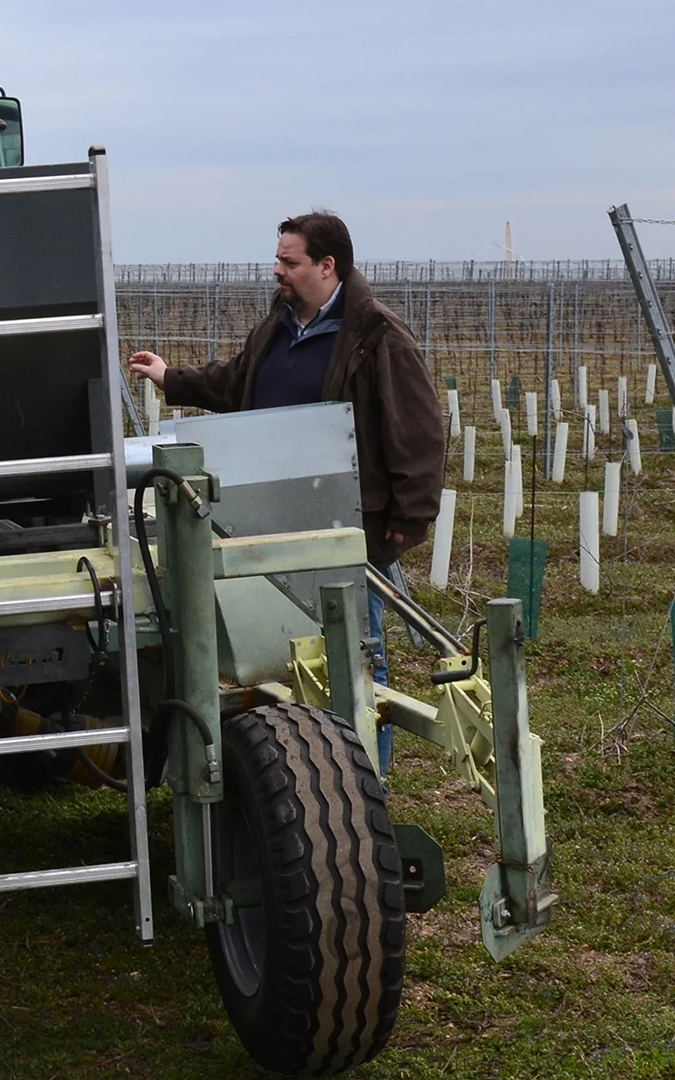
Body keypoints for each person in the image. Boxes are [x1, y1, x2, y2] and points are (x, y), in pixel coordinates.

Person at [127, 211, 445, 764]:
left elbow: (416, 431)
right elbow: (235, 382)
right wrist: (169, 376)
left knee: (356, 656)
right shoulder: (279, 326)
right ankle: (311, 768)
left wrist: (406, 520)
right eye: (278, 258)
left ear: (327, 266)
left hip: (346, 525)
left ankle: (367, 781)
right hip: (273, 520)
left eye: (288, 261)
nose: (277, 270)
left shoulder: (377, 336)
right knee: (288, 652)